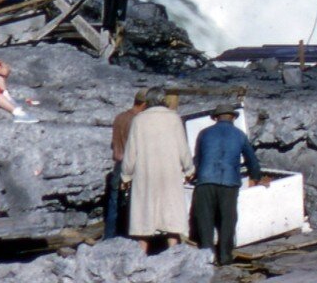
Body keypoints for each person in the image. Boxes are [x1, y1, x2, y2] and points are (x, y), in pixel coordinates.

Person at [192, 102, 271, 265]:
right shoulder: (239, 134)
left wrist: (196, 176)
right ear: (233, 118)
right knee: (228, 219)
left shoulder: (204, 133)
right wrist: (255, 177)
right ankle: (225, 256)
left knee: (205, 219)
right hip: (229, 181)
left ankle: (207, 257)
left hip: (205, 180)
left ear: (215, 118)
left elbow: (198, 159)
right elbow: (251, 160)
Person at [121, 87, 194, 253]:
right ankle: (173, 252)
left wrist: (126, 175)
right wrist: (189, 169)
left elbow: (131, 152)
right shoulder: (174, 119)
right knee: (171, 213)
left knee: (144, 214)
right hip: (170, 172)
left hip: (145, 173)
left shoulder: (139, 120)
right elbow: (183, 148)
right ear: (164, 100)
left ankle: (142, 254)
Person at [104, 88, 148, 239]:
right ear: (144, 104)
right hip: (132, 166)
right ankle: (129, 238)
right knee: (132, 205)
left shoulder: (120, 117)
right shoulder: (139, 121)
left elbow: (114, 143)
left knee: (114, 203)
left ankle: (109, 237)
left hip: (118, 164)